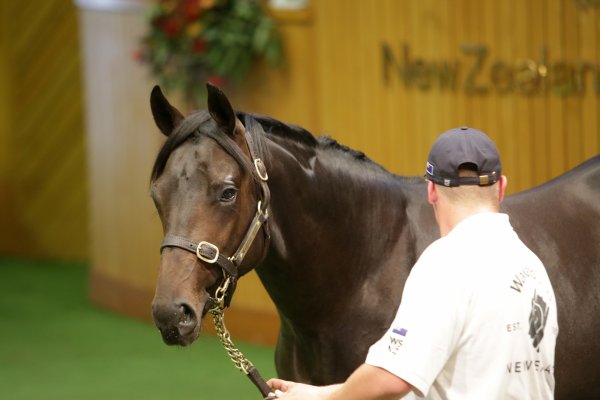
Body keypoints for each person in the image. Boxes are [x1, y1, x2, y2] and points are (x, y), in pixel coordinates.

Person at [268, 127, 558, 399]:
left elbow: (393, 377)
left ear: (431, 190)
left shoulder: (445, 262)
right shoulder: (532, 267)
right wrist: (316, 393)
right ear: (502, 187)